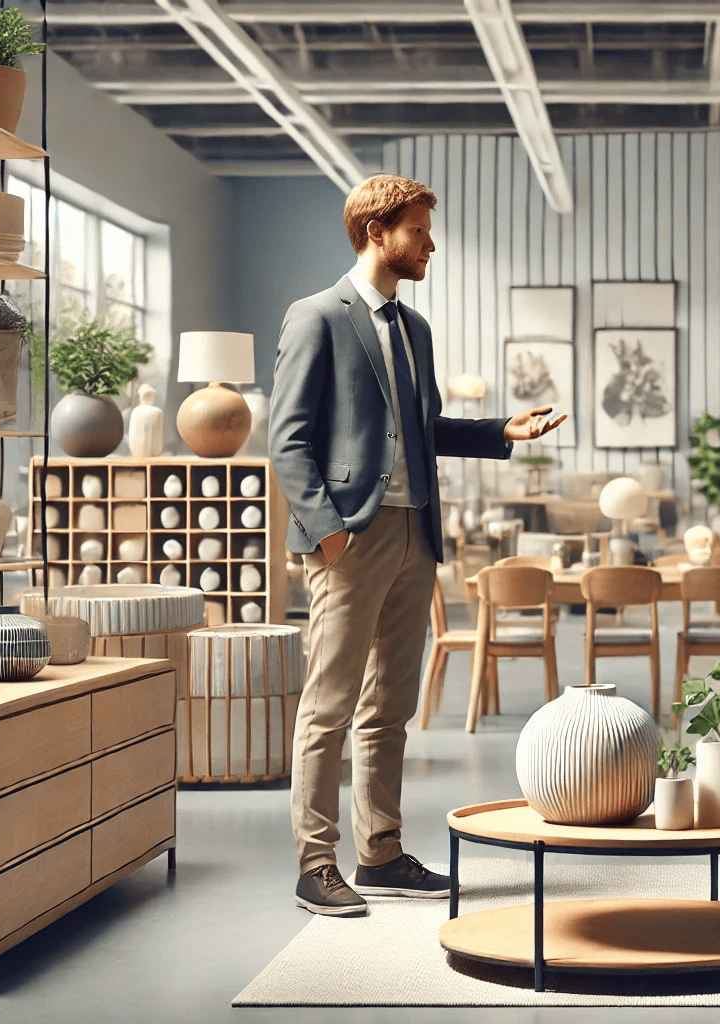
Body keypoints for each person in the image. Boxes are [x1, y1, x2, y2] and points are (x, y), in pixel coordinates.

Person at [269, 174, 565, 916]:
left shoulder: (415, 328)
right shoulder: (317, 318)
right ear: (378, 232)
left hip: (415, 531)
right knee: (328, 706)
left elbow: (421, 430)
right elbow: (289, 439)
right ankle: (315, 864)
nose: (430, 245)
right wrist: (328, 533)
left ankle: (381, 852)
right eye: (420, 232)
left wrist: (501, 431)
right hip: (352, 538)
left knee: (390, 706)